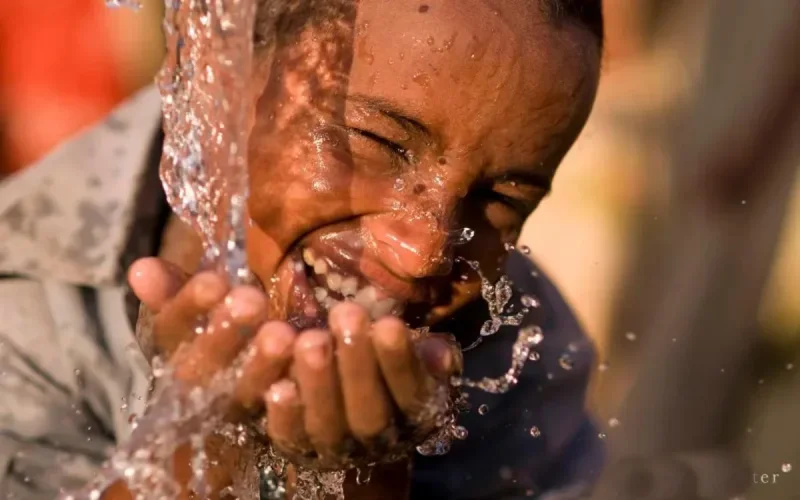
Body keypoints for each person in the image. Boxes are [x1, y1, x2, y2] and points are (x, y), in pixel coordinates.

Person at [0, 0, 604, 498]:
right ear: (214, 73)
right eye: (379, 143)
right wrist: (200, 439)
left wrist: (366, 476)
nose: (421, 253)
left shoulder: (524, 354)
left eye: (502, 200)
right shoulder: (21, 310)